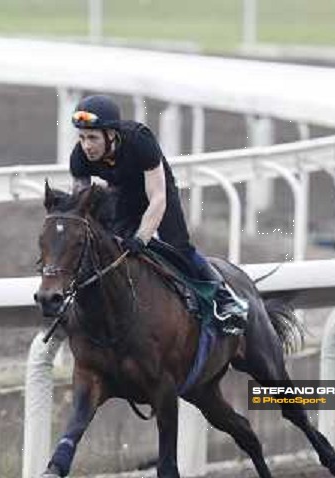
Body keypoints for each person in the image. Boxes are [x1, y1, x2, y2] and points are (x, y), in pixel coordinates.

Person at [69, 94, 248, 335]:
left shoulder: (140, 140)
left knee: (178, 247)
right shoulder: (78, 157)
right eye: (81, 137)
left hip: (157, 190)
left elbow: (157, 198)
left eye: (92, 137)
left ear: (111, 134)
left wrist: (141, 238)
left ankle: (224, 297)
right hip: (121, 193)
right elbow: (81, 209)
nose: (86, 145)